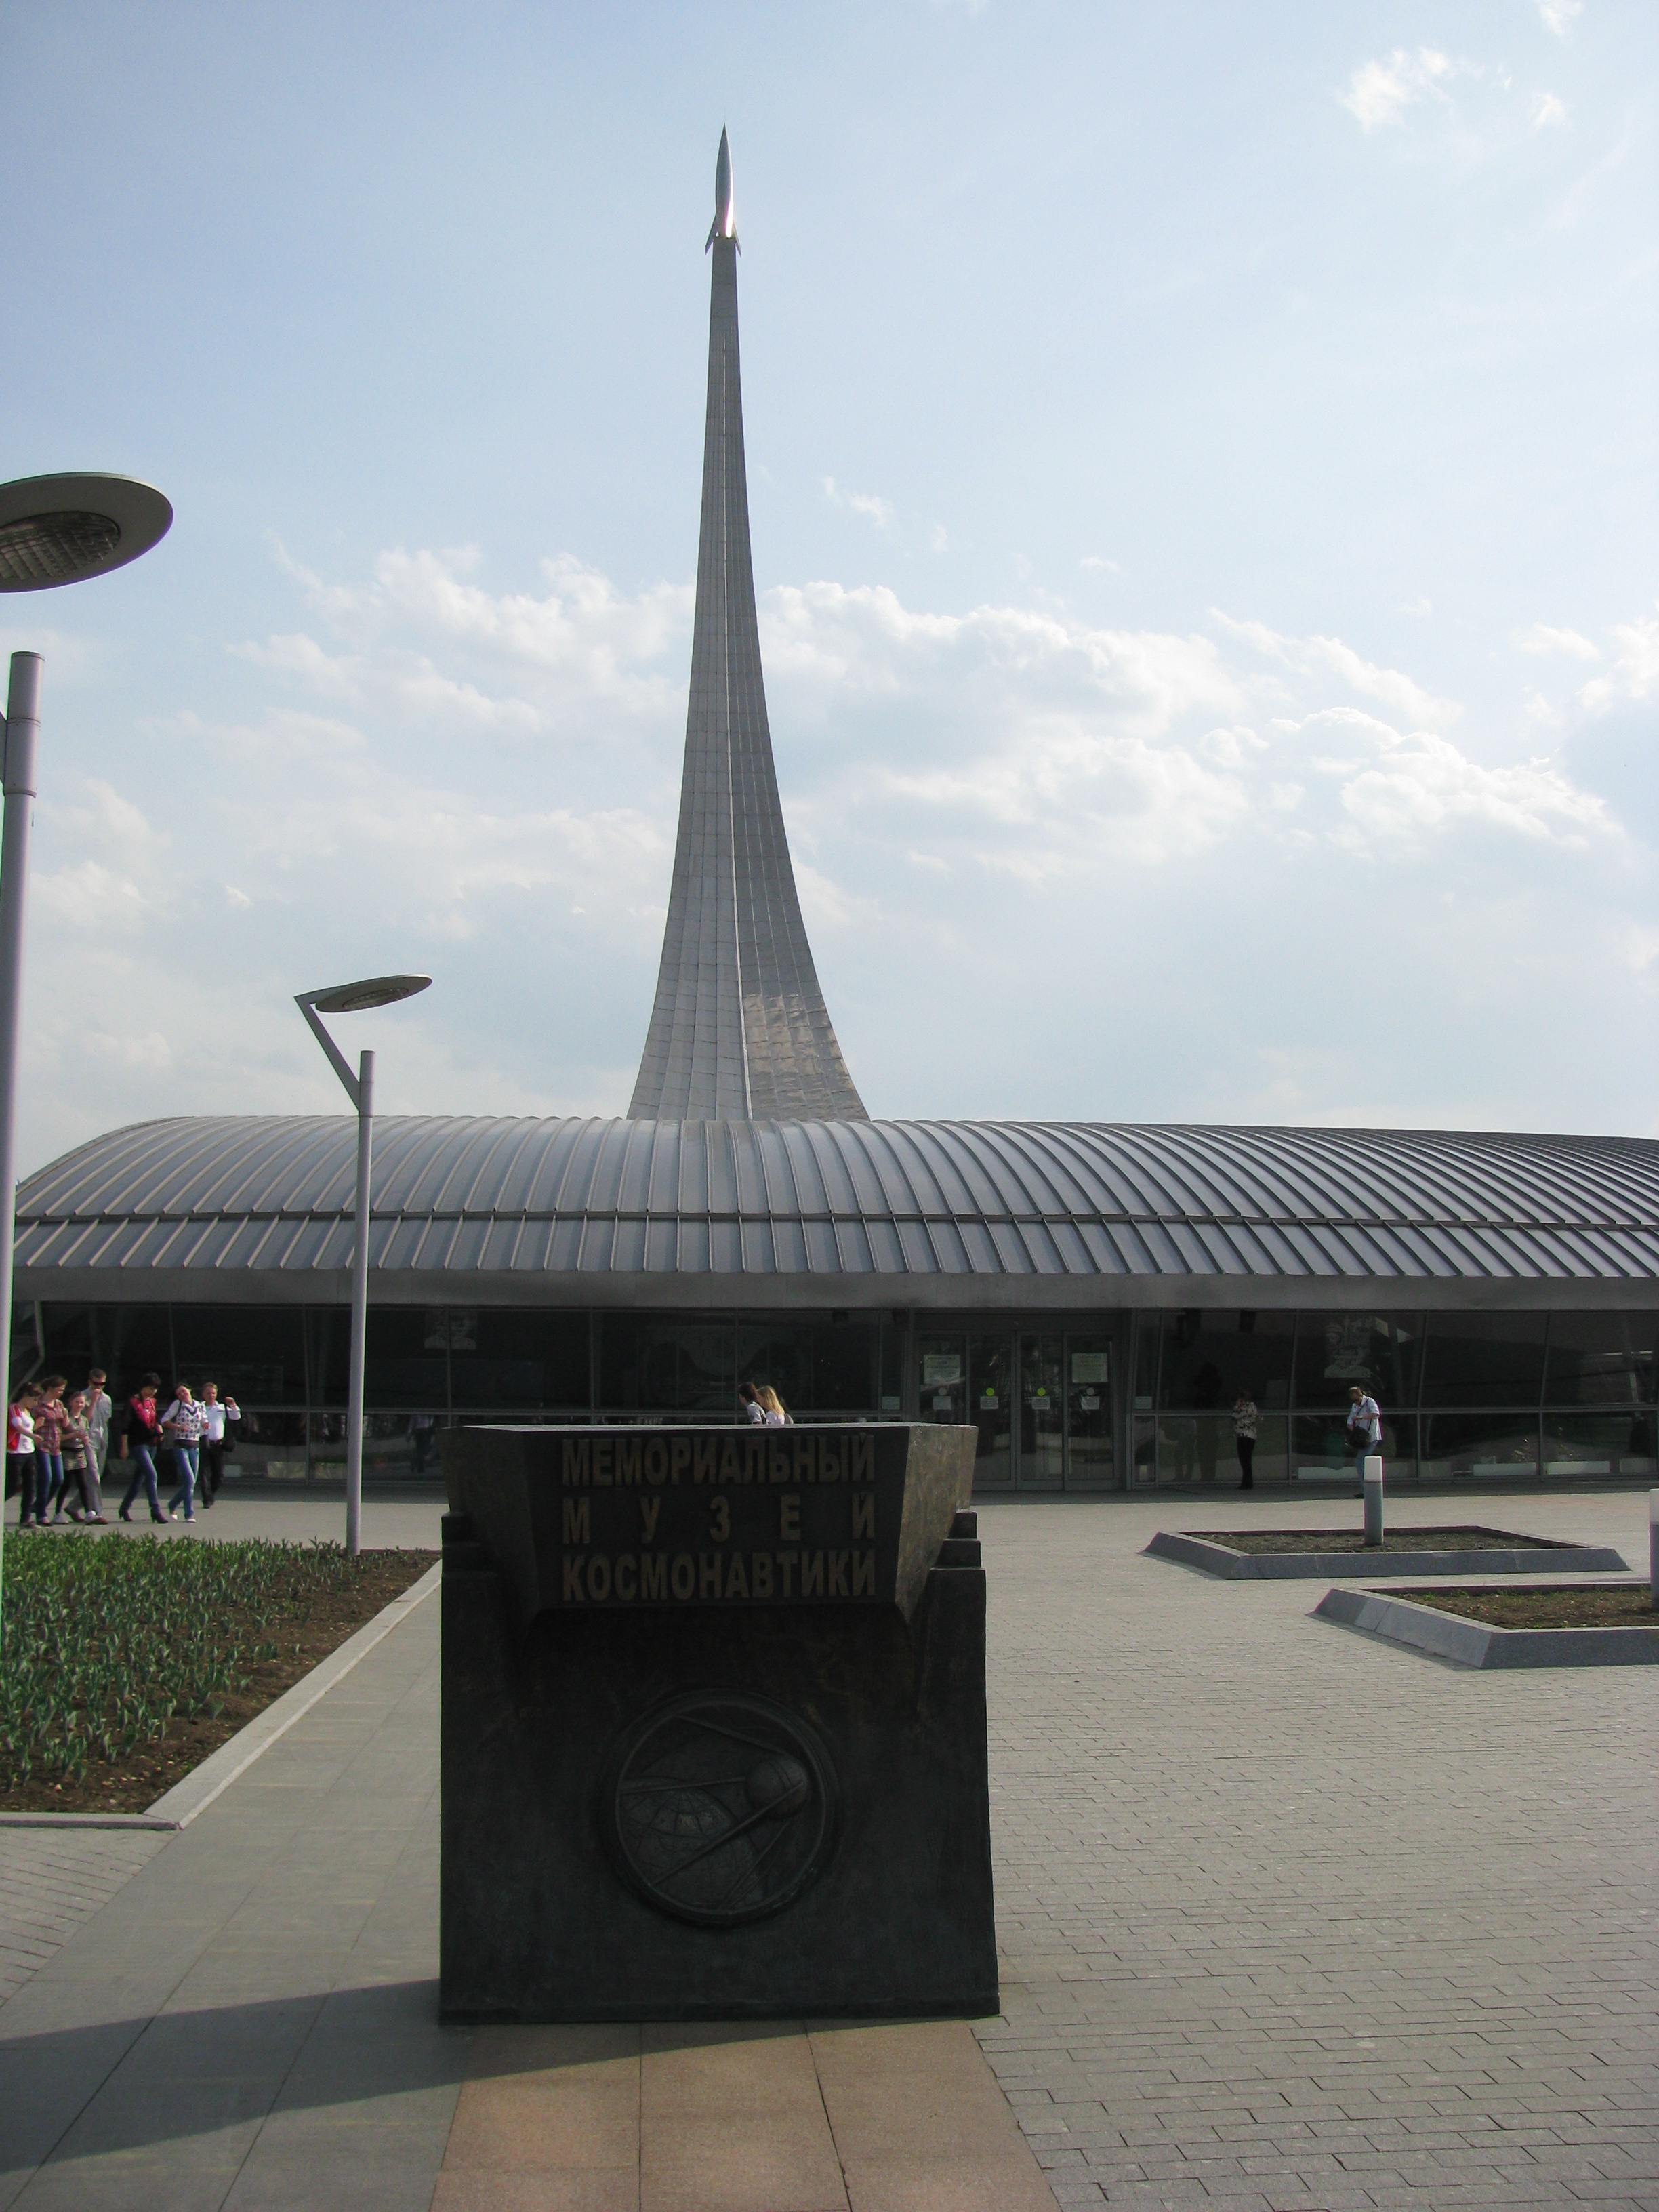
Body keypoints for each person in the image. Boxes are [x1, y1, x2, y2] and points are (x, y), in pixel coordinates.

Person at [119, 1376, 169, 1524]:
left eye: (155, 1389)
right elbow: (125, 1427)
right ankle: (155, 1510)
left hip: (151, 1443)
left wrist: (159, 1427)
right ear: (143, 1387)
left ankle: (124, 1508)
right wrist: (124, 1446)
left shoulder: (152, 1402)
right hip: (137, 1444)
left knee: (138, 1480)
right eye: (151, 1388)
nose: (153, 1392)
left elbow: (154, 1420)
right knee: (152, 1475)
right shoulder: (133, 1402)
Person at [54, 1393, 104, 1523]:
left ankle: (89, 1512)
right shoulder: (66, 1419)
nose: (79, 1405)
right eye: (77, 1402)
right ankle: (58, 1512)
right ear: (71, 1403)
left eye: (82, 1403)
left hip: (80, 1453)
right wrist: (73, 1435)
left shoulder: (84, 1420)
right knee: (67, 1483)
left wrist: (85, 1439)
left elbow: (85, 1433)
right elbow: (59, 1437)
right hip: (68, 1453)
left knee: (83, 1483)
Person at [161, 1382, 205, 1522]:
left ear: (190, 1390)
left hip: (195, 1446)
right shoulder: (177, 1405)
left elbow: (204, 1419)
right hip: (181, 1446)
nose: (182, 1394)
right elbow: (164, 1421)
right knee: (190, 1480)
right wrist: (178, 1427)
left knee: (191, 1482)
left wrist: (205, 1424)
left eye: (184, 1391)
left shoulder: (200, 1406)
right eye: (179, 1393)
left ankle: (173, 1504)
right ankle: (189, 1513)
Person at [196, 1382, 240, 1509]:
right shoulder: (199, 1408)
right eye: (209, 1393)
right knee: (204, 1472)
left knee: (219, 1474)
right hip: (203, 1443)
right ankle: (206, 1499)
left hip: (217, 1444)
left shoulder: (221, 1408)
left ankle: (211, 1494)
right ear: (203, 1394)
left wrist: (233, 1405)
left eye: (213, 1393)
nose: (211, 1396)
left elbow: (236, 1416)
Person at [32, 1376, 68, 1521]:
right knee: (46, 1477)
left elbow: (65, 1426)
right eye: (59, 1390)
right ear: (51, 1389)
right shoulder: (38, 1406)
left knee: (59, 1479)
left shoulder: (59, 1405)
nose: (61, 1393)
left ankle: (39, 1505)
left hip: (56, 1445)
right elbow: (31, 1424)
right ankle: (41, 1514)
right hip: (43, 1445)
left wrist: (66, 1414)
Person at [9, 1386, 39, 1528]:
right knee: (13, 1485)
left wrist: (35, 1430)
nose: (35, 1403)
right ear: (25, 1396)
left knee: (30, 1485)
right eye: (33, 1399)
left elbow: (28, 1428)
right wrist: (33, 1435)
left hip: (29, 1451)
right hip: (15, 1452)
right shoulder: (14, 1409)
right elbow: (18, 1426)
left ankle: (26, 1518)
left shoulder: (28, 1411)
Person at [83, 1369, 112, 1518]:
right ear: (90, 1382)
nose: (99, 1387)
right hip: (88, 1439)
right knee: (93, 1475)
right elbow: (85, 1420)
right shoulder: (83, 1397)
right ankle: (97, 1511)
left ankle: (73, 1506)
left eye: (102, 1384)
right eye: (96, 1384)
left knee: (96, 1478)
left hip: (102, 1439)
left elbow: (106, 1421)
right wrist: (93, 1401)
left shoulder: (107, 1399)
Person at [1346, 1384, 1382, 1498]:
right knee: (1361, 1462)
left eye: (1357, 1400)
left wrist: (1361, 1418)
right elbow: (1350, 1422)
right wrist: (1355, 1431)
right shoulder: (1354, 1406)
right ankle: (1366, 1489)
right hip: (1361, 1439)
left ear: (1361, 1395)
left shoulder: (1369, 1402)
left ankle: (1368, 1490)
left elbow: (1376, 1414)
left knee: (1360, 1461)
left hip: (1371, 1437)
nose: (1356, 1403)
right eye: (1354, 1400)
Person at [1233, 1389, 1258, 1490]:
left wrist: (1237, 1407)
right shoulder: (1246, 1407)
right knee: (1244, 1460)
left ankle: (1247, 1483)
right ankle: (1246, 1481)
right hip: (1242, 1435)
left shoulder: (1249, 1407)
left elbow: (1236, 1416)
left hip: (1247, 1436)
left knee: (1246, 1460)